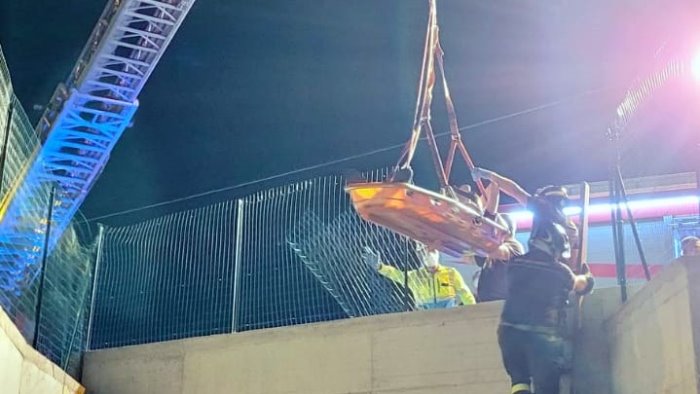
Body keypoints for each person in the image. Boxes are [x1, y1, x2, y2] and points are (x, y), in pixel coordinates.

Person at [472, 167, 594, 394]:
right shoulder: (565, 236)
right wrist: (585, 278)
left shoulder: (518, 261)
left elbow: (515, 191)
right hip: (544, 333)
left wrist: (493, 179)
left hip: (509, 332)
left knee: (519, 381)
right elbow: (579, 280)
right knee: (549, 378)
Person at [457, 182, 524, 302]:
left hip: (503, 304)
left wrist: (481, 215)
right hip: (491, 304)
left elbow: (496, 251)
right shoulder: (488, 252)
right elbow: (493, 186)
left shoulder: (513, 245)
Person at [362, 244, 476, 309]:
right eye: (425, 251)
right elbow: (396, 275)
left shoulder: (450, 272)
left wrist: (473, 311)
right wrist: (380, 267)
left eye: (432, 251)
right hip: (425, 314)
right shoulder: (415, 276)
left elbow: (464, 293)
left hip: (449, 312)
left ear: (437, 253)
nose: (429, 254)